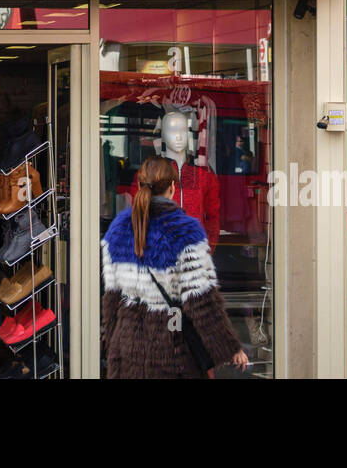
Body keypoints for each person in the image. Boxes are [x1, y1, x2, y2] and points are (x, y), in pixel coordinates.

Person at [100, 155, 248, 379]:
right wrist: (229, 347)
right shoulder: (186, 231)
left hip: (127, 347)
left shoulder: (117, 231)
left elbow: (111, 301)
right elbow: (202, 302)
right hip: (171, 348)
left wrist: (112, 346)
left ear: (139, 185)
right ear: (172, 188)